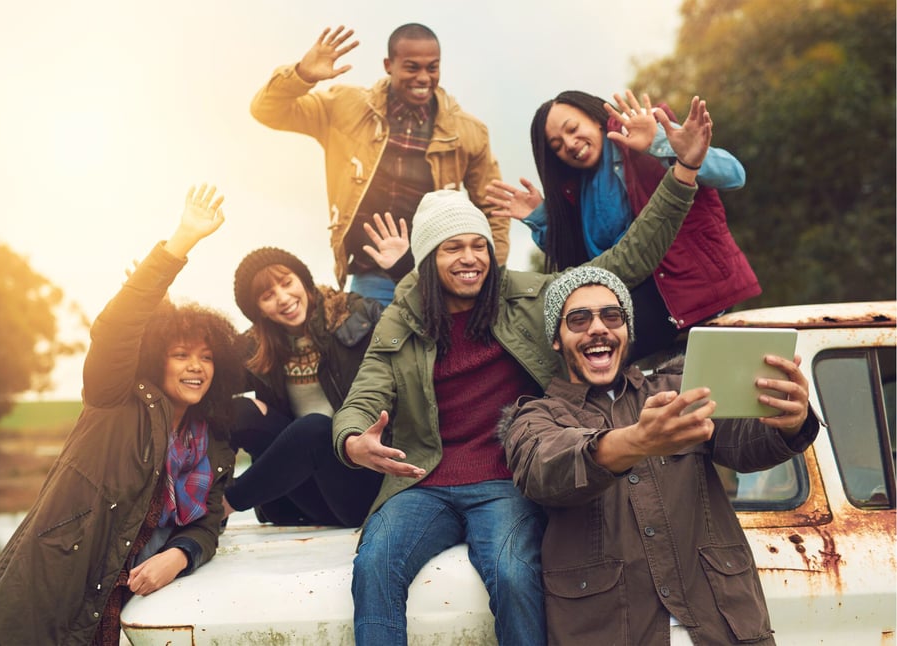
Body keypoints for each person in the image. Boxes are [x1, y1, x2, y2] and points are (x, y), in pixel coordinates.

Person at [331, 99, 712, 644]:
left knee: (513, 573)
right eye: (452, 248)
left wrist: (683, 174)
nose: (470, 259)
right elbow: (365, 394)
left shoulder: (530, 298)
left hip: (503, 479)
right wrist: (351, 440)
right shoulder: (403, 317)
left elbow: (625, 262)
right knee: (373, 568)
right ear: (429, 260)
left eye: (478, 246)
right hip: (422, 481)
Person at [0, 185, 244, 646]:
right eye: (181, 354)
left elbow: (207, 522)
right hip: (56, 593)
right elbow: (116, 328)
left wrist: (181, 554)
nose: (195, 366)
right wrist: (180, 243)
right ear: (157, 359)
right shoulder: (117, 402)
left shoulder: (213, 442)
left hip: (129, 602)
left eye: (207, 358)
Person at [499, 266, 818, 645]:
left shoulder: (680, 388)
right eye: (579, 319)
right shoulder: (534, 417)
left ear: (627, 330)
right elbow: (545, 469)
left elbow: (745, 445)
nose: (597, 328)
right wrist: (638, 441)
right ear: (557, 338)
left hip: (721, 627)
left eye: (611, 316)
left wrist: (789, 419)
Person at [487, 90, 760, 359]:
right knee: (566, 342)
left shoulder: (643, 130)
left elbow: (734, 175)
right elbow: (590, 265)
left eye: (572, 129)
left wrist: (662, 143)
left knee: (580, 347)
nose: (569, 144)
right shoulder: (578, 188)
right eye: (557, 146)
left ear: (595, 117)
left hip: (690, 289)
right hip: (635, 296)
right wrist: (544, 220)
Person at [250, 23, 511, 306]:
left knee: (442, 350)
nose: (423, 78)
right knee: (374, 349)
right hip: (372, 273)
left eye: (433, 68)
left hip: (437, 275)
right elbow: (267, 111)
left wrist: (489, 274)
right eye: (412, 67)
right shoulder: (344, 107)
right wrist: (301, 75)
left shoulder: (468, 132)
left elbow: (494, 207)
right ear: (389, 65)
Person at [223, 236, 391, 527]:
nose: (283, 298)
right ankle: (197, 498)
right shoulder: (256, 345)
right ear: (259, 309)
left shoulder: (356, 316)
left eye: (287, 283)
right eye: (267, 295)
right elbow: (198, 377)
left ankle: (220, 508)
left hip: (359, 487)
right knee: (238, 411)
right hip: (301, 493)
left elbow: (416, 332)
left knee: (315, 427)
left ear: (302, 280)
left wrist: (402, 267)